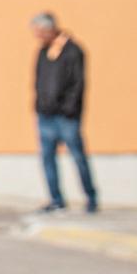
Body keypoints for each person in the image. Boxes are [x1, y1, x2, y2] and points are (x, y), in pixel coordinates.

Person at [31, 12, 98, 213]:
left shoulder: (73, 51)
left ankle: (90, 197)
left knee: (78, 157)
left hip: (66, 116)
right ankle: (56, 199)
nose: (38, 36)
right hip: (45, 115)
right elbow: (38, 80)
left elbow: (78, 83)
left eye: (40, 32)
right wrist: (39, 105)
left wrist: (70, 108)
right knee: (48, 158)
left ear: (49, 30)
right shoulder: (43, 52)